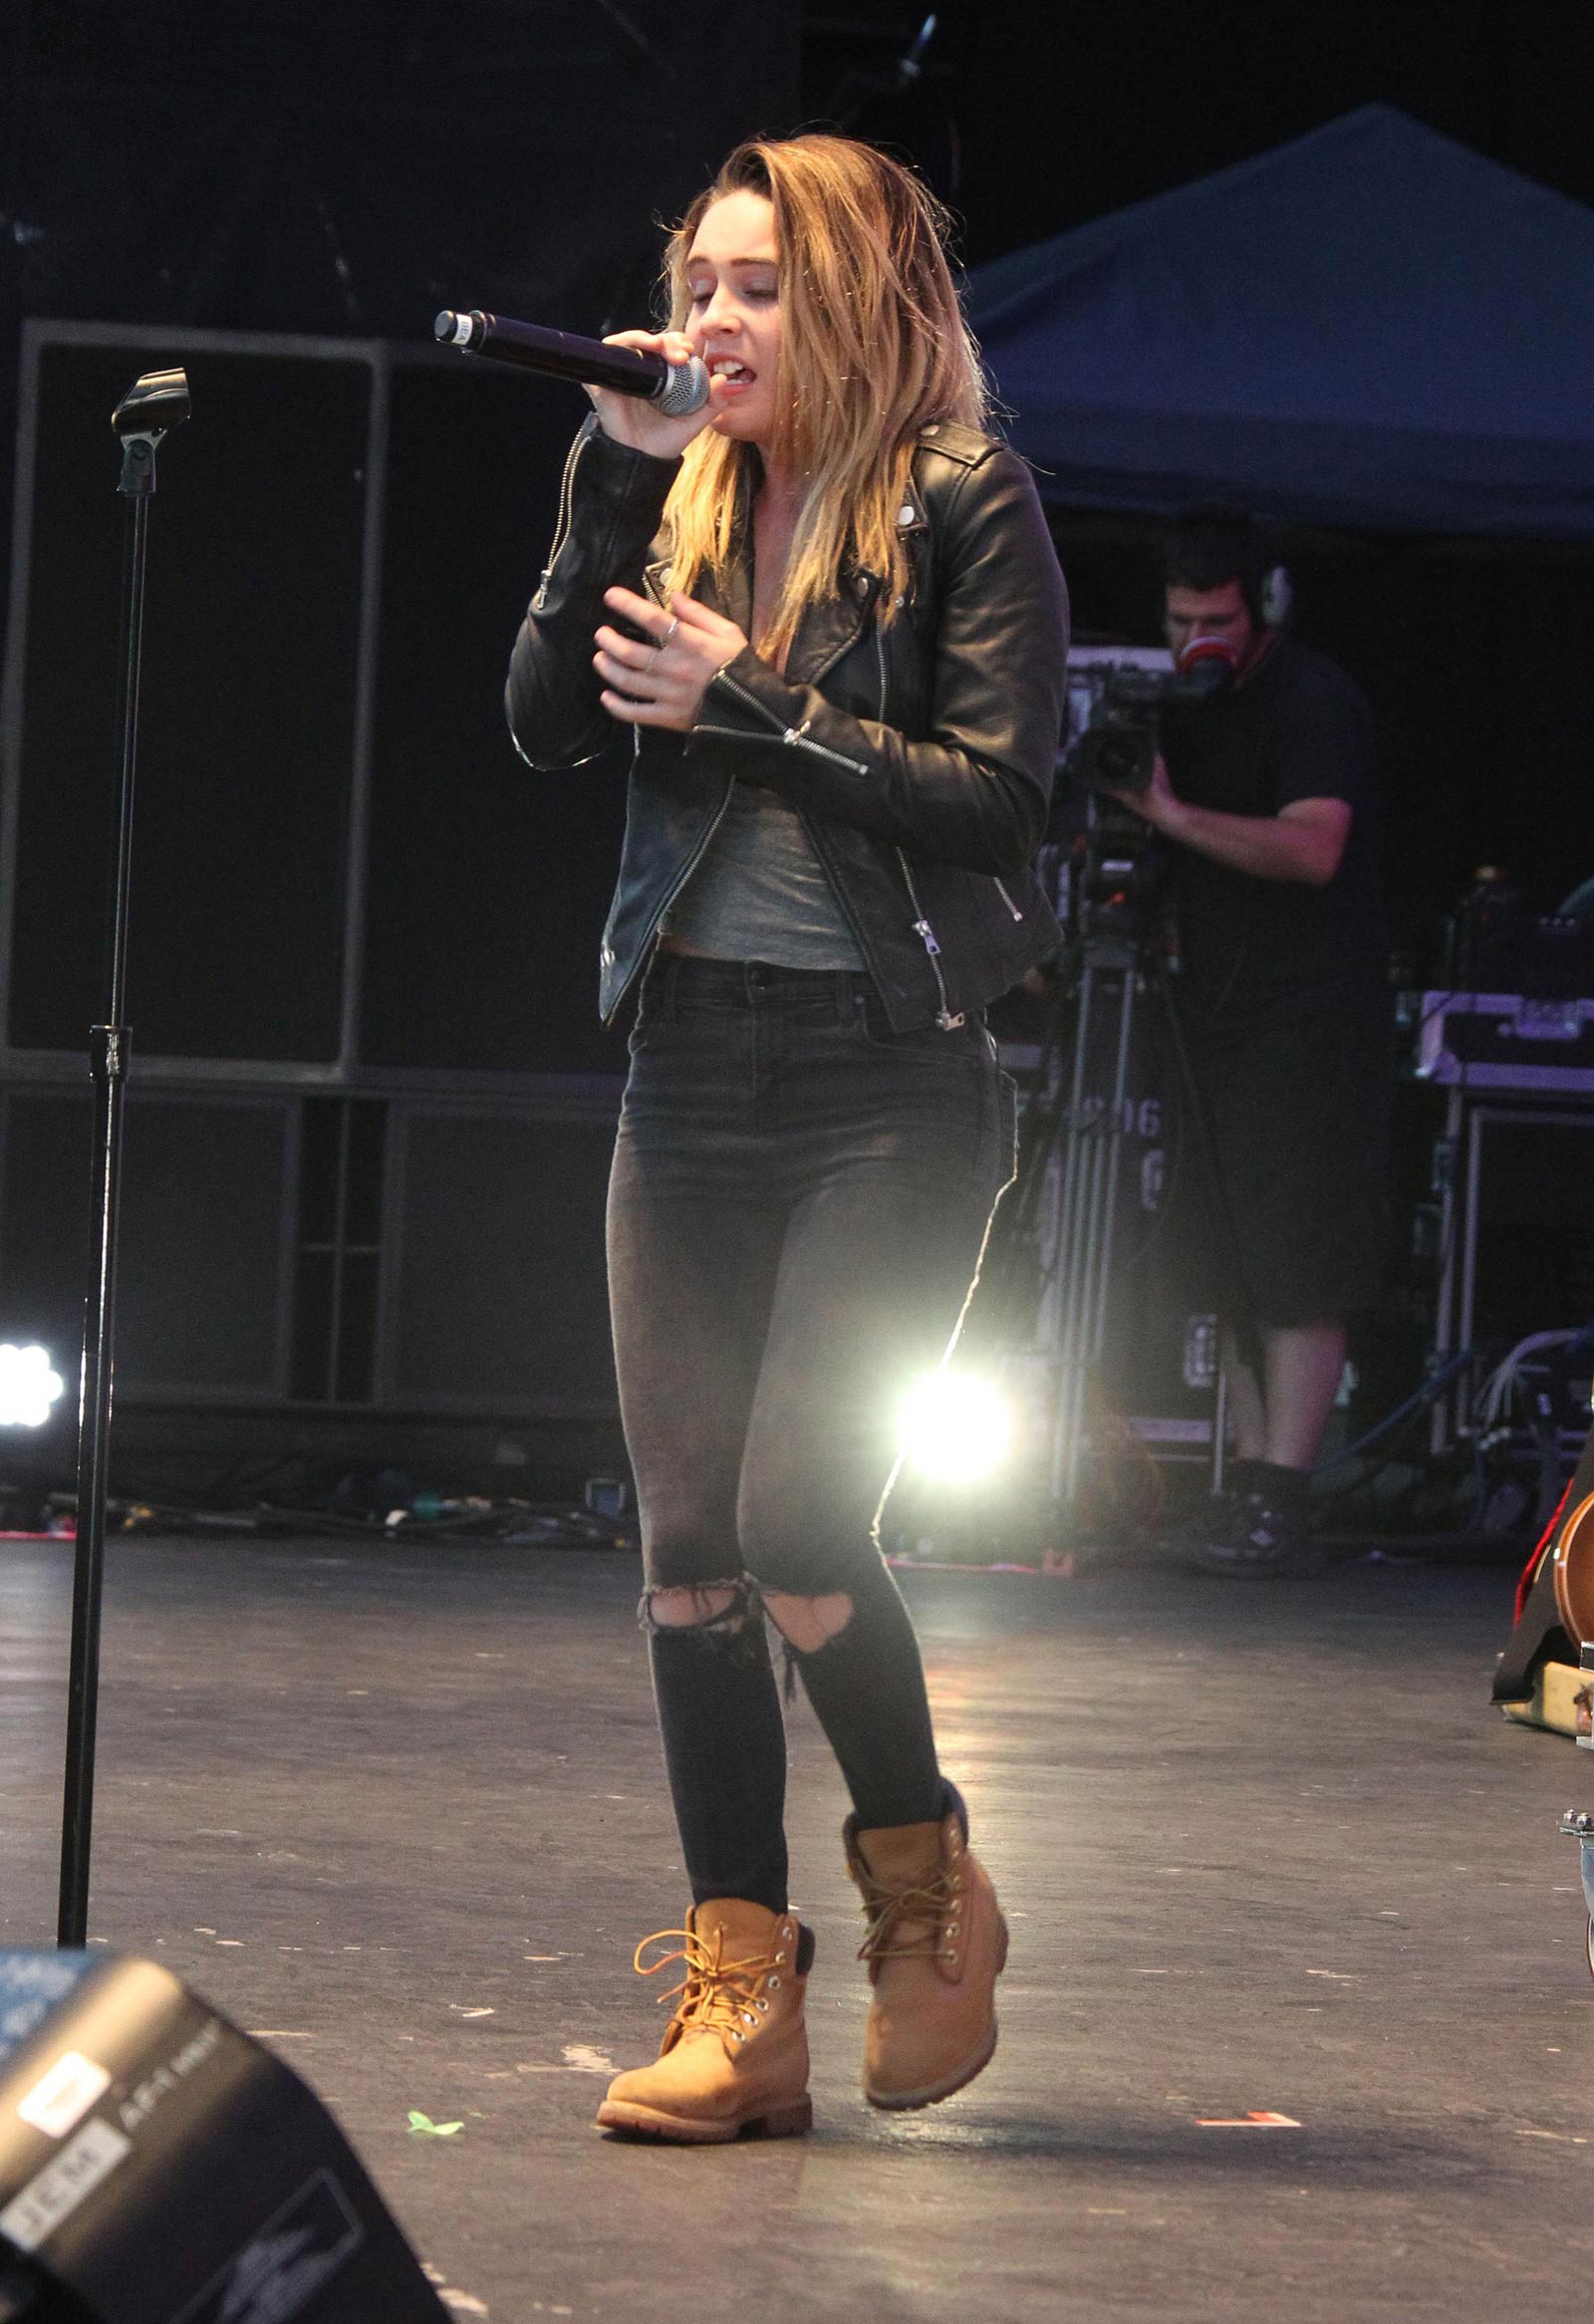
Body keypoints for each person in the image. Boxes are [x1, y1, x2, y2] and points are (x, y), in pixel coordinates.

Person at [504, 132, 1069, 2140]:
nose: (713, 319)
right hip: (690, 1063)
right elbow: (542, 720)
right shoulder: (672, 486)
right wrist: (600, 475)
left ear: (841, 298)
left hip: (881, 1077)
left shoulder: (956, 493)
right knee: (680, 1553)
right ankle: (735, 1993)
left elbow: (1001, 799)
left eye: (752, 285)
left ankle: (922, 1883)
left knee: (802, 1526)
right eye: (700, 282)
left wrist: (752, 699)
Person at [1110, 516, 1390, 1575]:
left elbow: (1314, 847)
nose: (1196, 640)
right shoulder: (1178, 703)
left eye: (1214, 620)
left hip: (1308, 1016)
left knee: (1297, 1258)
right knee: (1222, 1255)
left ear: (1261, 606)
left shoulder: (1312, 700)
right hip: (1211, 1014)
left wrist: (1169, 816)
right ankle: (1244, 1484)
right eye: (1180, 620)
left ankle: (1284, 1489)